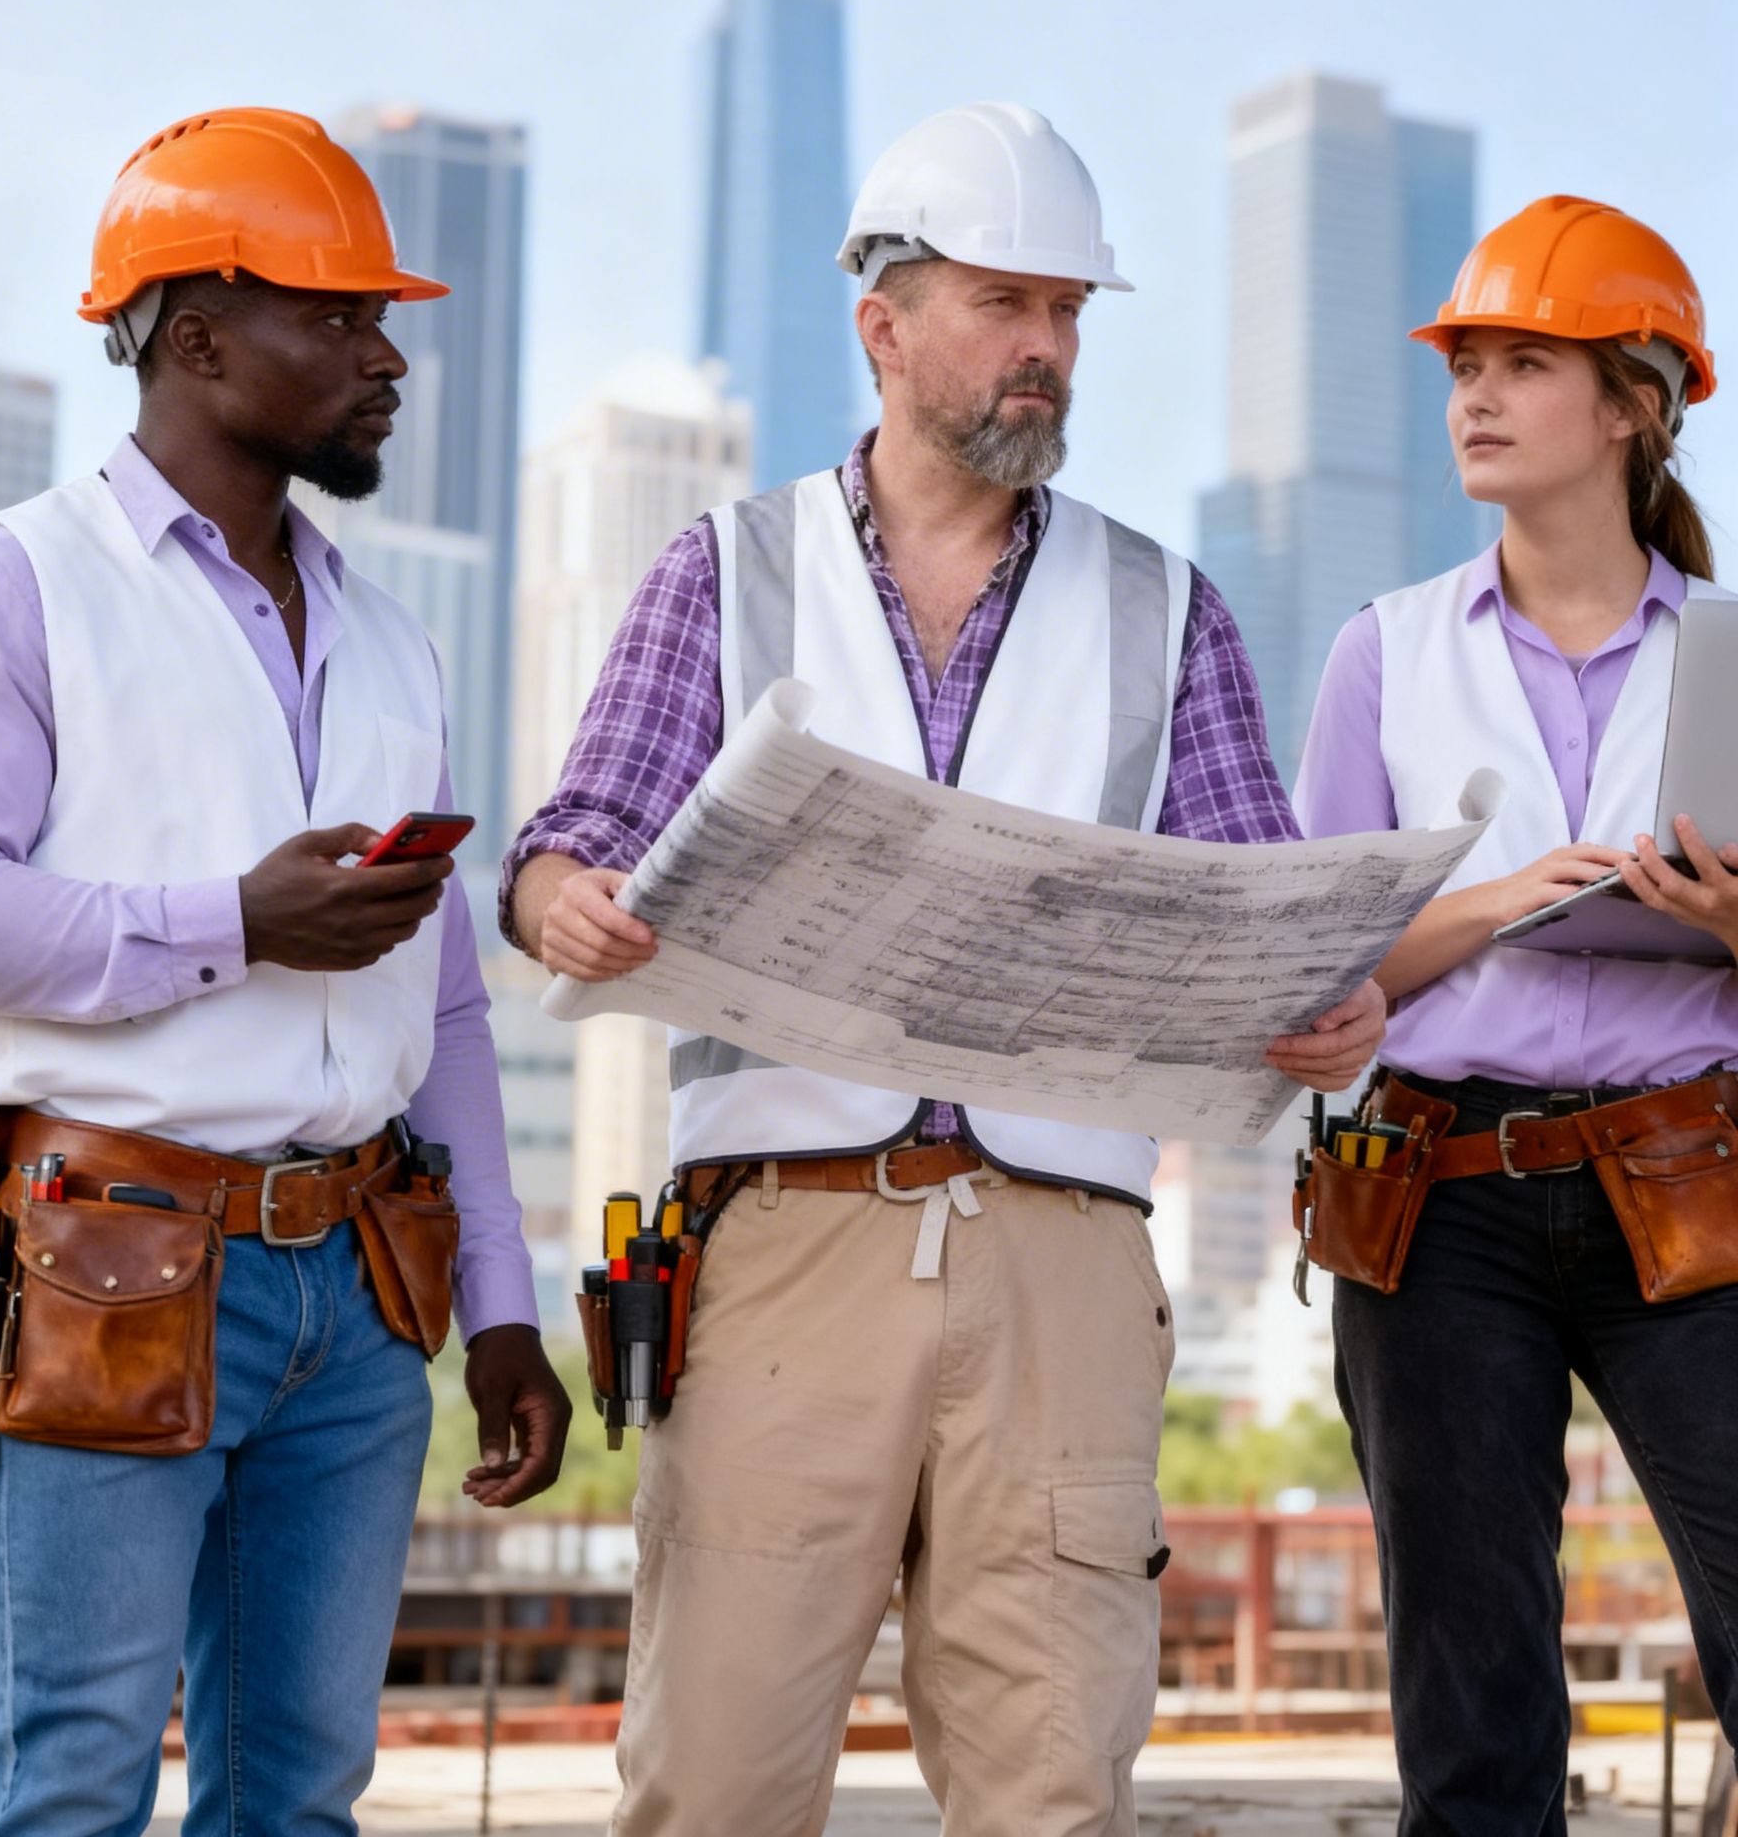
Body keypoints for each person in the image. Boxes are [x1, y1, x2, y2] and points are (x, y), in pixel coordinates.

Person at [503, 101, 1384, 1837]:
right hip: (784, 1251)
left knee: (1054, 1791)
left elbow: (1256, 905)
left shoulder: (1166, 608)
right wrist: (559, 899)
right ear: (885, 328)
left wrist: (1324, 1001)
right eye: (1003, 304)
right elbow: (573, 837)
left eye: (1067, 309)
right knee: (714, 1790)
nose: (1045, 346)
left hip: (1064, 1265)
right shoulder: (725, 574)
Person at [0, 107, 570, 1836]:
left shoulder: (392, 641)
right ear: (196, 336)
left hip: (362, 1294)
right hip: (106, 1261)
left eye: (382, 319)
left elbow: (446, 1010)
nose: (387, 359)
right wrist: (234, 922)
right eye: (338, 317)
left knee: (298, 1798)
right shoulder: (7, 590)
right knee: (65, 1781)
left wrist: (502, 1307)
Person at [1296, 195, 1738, 1831]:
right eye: (1463, 367)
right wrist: (1496, 903)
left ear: (1632, 402)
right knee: (1472, 1706)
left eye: (1523, 364)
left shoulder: (1732, 661)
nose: (1475, 396)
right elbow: (1313, 969)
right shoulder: (1384, 654)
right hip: (1438, 1197)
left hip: (1695, 1176)